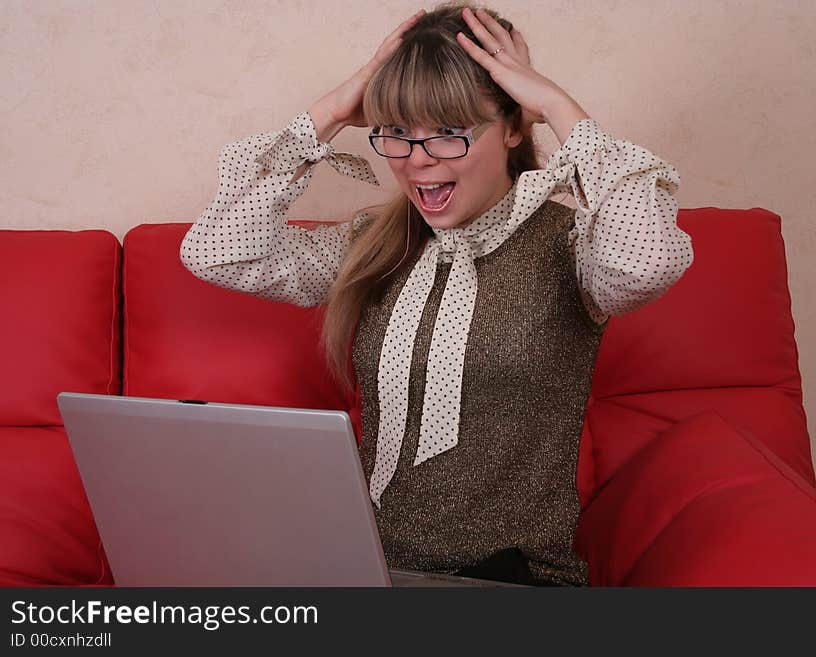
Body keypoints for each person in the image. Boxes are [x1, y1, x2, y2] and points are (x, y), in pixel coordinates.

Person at [180, 2, 694, 586]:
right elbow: (217, 250)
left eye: (449, 133)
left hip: (509, 581)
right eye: (398, 133)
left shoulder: (572, 246)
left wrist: (555, 105)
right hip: (368, 573)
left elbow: (645, 262)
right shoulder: (374, 243)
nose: (418, 162)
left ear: (512, 126)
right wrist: (332, 109)